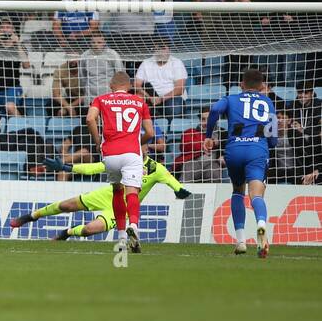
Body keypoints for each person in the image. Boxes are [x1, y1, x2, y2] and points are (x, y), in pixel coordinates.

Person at [15, 156, 192, 239]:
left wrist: (179, 189)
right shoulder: (120, 160)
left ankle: (66, 233)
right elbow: (93, 168)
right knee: (66, 205)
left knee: (88, 230)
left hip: (122, 210)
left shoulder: (155, 168)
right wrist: (65, 167)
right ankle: (31, 217)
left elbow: (171, 180)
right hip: (106, 195)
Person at [206, 68, 278, 257]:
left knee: (238, 190)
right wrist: (267, 145)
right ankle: (261, 225)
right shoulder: (268, 102)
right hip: (257, 150)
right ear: (262, 86)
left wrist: (208, 136)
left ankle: (240, 241)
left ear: (241, 85)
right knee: (257, 194)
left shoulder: (231, 99)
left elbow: (214, 110)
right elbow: (273, 137)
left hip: (234, 150)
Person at [86, 70, 155, 253]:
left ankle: (122, 237)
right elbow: (150, 133)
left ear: (110, 85)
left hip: (110, 154)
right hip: (131, 153)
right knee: (131, 191)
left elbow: (90, 118)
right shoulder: (140, 102)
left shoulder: (101, 99)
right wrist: (136, 143)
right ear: (130, 86)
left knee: (117, 190)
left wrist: (98, 141)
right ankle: (134, 224)